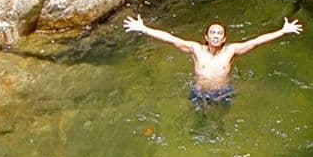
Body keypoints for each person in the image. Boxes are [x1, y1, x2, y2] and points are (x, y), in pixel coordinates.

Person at [123, 14, 303, 106]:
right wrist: (144, 28)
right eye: (213, 33)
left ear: (224, 38)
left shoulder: (232, 51)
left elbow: (255, 42)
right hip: (198, 91)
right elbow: (170, 39)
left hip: (223, 92)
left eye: (220, 33)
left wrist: (282, 31)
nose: (216, 36)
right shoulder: (195, 49)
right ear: (206, 37)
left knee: (219, 119)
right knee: (195, 116)